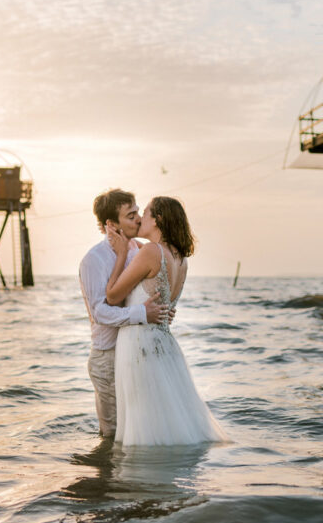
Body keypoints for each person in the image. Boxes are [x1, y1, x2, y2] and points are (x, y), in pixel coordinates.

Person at [105, 196, 227, 446]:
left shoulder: (152, 252)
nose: (140, 218)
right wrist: (128, 241)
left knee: (144, 423)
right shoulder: (180, 258)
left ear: (158, 219)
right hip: (165, 345)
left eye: (146, 213)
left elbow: (113, 295)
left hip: (139, 343)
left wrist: (119, 255)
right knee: (161, 418)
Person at [79, 189, 171, 438]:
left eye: (138, 212)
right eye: (131, 216)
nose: (139, 219)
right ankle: (107, 478)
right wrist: (143, 313)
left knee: (134, 430)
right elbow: (100, 312)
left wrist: (161, 311)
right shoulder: (94, 260)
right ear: (111, 224)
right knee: (112, 434)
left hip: (132, 355)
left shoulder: (137, 250)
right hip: (107, 357)